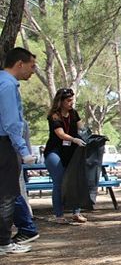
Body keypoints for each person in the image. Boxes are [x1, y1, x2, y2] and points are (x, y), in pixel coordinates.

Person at [0, 47, 37, 254]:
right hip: (4, 145)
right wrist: (23, 150)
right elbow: (12, 123)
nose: (33, 71)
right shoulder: (7, 85)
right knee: (7, 195)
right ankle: (4, 242)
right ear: (19, 64)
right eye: (31, 66)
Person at [43, 87, 88, 224]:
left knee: (74, 180)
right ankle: (59, 215)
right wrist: (74, 139)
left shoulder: (74, 113)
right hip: (54, 151)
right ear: (61, 101)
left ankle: (76, 212)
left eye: (72, 100)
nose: (71, 103)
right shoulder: (54, 116)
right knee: (60, 180)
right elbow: (60, 134)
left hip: (70, 152)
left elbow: (82, 128)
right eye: (68, 100)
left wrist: (89, 135)